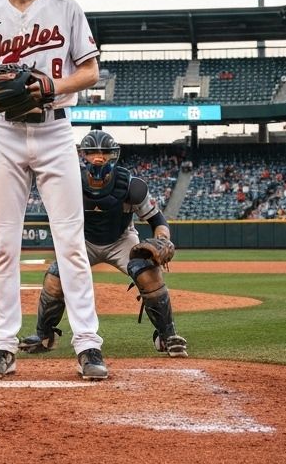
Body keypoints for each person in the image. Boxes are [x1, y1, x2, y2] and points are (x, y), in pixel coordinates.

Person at [0, 0, 105, 380]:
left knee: (71, 243)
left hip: (55, 130)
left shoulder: (66, 8)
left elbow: (90, 72)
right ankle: (2, 346)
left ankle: (88, 344)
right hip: (4, 133)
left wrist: (48, 87)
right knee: (4, 246)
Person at [20, 131, 188, 359]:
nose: (98, 158)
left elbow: (157, 220)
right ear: (83, 156)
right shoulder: (68, 184)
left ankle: (168, 336)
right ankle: (44, 335)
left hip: (121, 239)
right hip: (83, 240)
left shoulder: (132, 186)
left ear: (114, 155)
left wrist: (163, 240)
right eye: (92, 153)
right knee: (55, 277)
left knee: (147, 273)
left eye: (105, 152)